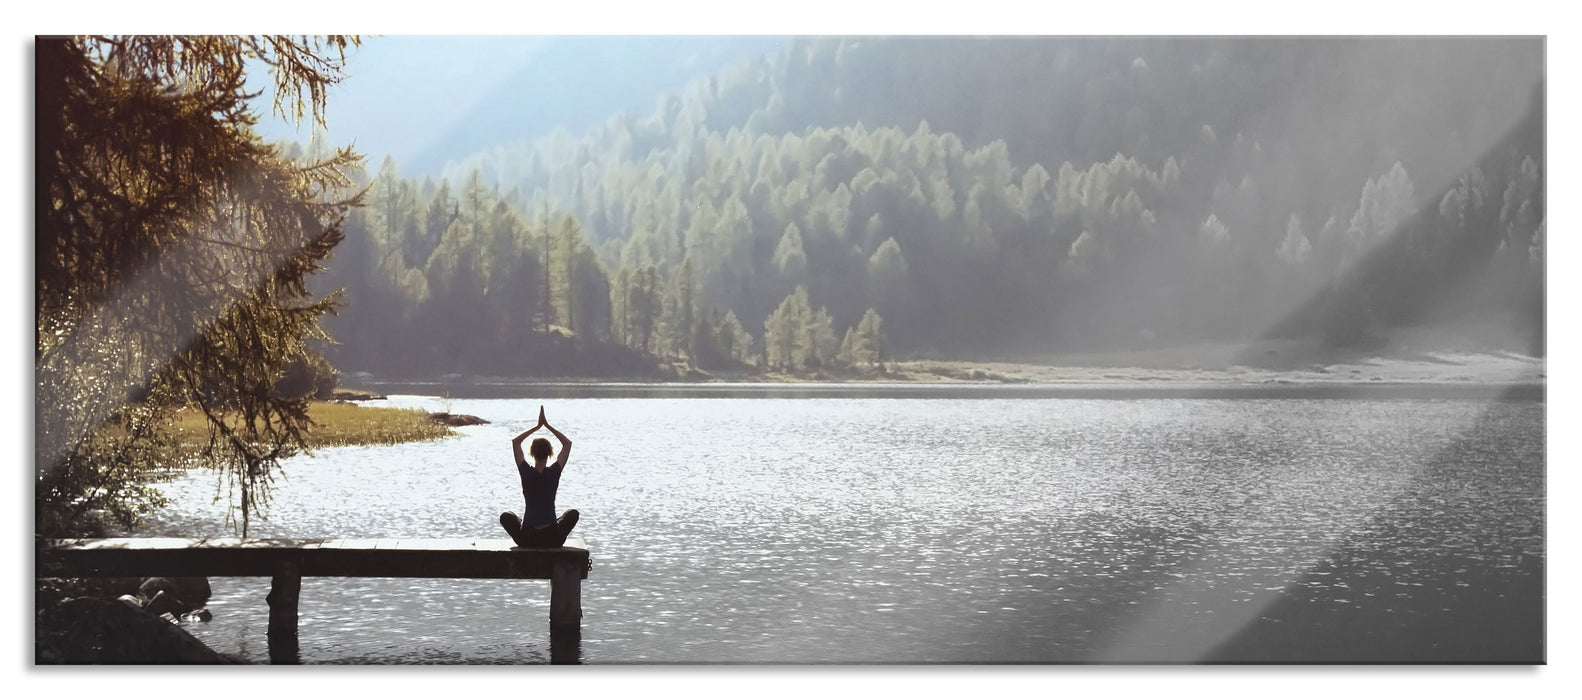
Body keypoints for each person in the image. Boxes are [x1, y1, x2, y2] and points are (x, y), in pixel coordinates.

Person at [499, 405, 579, 548]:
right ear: (550, 454)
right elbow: (567, 444)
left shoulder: (526, 472)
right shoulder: (554, 472)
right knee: (572, 514)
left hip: (527, 538)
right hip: (552, 538)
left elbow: (515, 442)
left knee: (506, 516)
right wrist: (547, 426)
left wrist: (537, 427)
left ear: (531, 454)